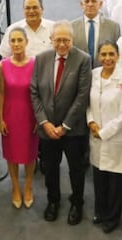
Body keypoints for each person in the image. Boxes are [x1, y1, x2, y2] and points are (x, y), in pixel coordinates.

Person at [30, 20, 92, 226]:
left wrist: (64, 126)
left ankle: (77, 203)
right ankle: (53, 201)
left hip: (73, 130)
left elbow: (82, 97)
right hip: (47, 128)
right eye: (58, 40)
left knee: (76, 168)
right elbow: (34, 93)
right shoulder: (41, 59)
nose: (62, 44)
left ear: (73, 40)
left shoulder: (83, 59)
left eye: (66, 40)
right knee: (50, 168)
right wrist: (44, 122)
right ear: (51, 40)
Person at [86, 41, 122, 234]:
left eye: (111, 54)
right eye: (103, 54)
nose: (107, 58)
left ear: (118, 55)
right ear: (98, 56)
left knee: (115, 183)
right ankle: (100, 211)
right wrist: (91, 123)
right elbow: (87, 102)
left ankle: (113, 217)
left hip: (116, 138)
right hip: (95, 136)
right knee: (99, 178)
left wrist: (103, 132)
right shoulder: (93, 75)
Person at [0, 27, 39, 209]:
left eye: (19, 40)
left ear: (26, 42)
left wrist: (39, 117)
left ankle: (28, 185)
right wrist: (1, 118)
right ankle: (15, 187)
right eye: (12, 41)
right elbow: (1, 93)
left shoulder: (35, 64)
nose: (16, 44)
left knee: (30, 153)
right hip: (10, 114)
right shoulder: (2, 65)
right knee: (12, 154)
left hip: (30, 114)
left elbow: (39, 93)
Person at [71, 0, 121, 65]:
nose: (90, 4)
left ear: (100, 4)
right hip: (80, 73)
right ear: (81, 4)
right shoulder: (72, 27)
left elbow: (117, 53)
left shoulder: (113, 27)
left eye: (94, 1)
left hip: (105, 71)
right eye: (87, 1)